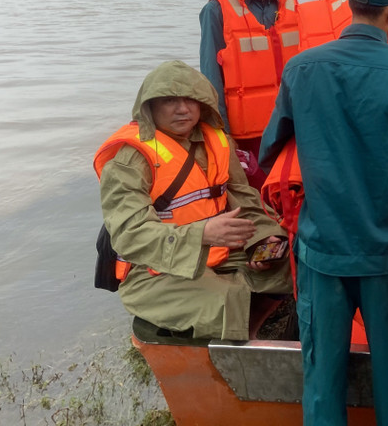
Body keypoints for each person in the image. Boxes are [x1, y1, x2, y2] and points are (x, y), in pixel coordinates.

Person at [259, 0, 388, 426]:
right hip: (387, 253)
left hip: (322, 252)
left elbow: (269, 152)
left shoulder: (301, 69)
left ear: (352, 4)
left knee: (322, 376)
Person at [94, 60, 292, 340]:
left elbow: (246, 203)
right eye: (170, 100)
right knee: (226, 298)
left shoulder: (218, 142)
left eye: (191, 99)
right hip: (152, 270)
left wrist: (264, 240)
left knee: (294, 263)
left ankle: (253, 330)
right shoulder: (129, 161)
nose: (183, 108)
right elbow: (130, 236)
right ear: (150, 106)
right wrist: (202, 234)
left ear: (203, 104)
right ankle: (224, 361)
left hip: (218, 253)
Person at [198, 0, 300, 171]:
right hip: (247, 134)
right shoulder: (216, 10)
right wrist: (222, 133)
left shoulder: (291, 4)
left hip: (290, 125)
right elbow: (211, 77)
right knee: (255, 202)